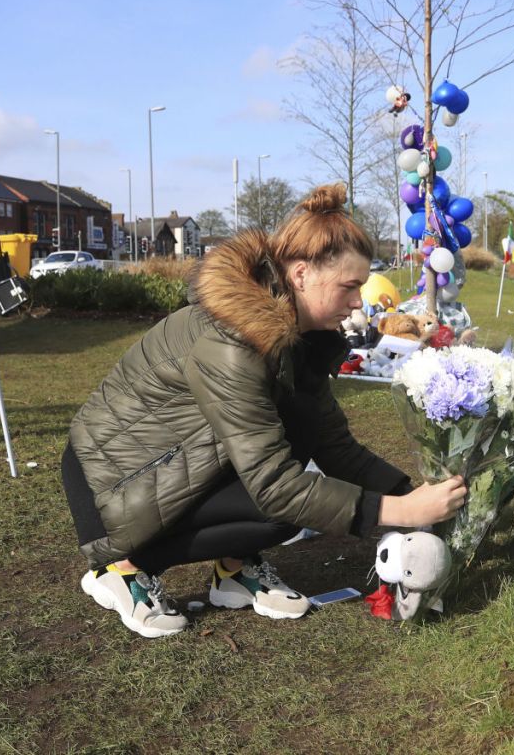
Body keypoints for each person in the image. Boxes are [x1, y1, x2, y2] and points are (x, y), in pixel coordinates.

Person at [62, 183, 467, 638]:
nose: (360, 302)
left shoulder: (299, 338)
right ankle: (121, 569)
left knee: (303, 434)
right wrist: (399, 511)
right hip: (113, 479)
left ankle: (234, 571)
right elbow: (275, 487)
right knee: (286, 507)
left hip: (179, 461)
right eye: (350, 286)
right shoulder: (232, 341)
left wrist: (417, 495)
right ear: (299, 275)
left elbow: (334, 445)